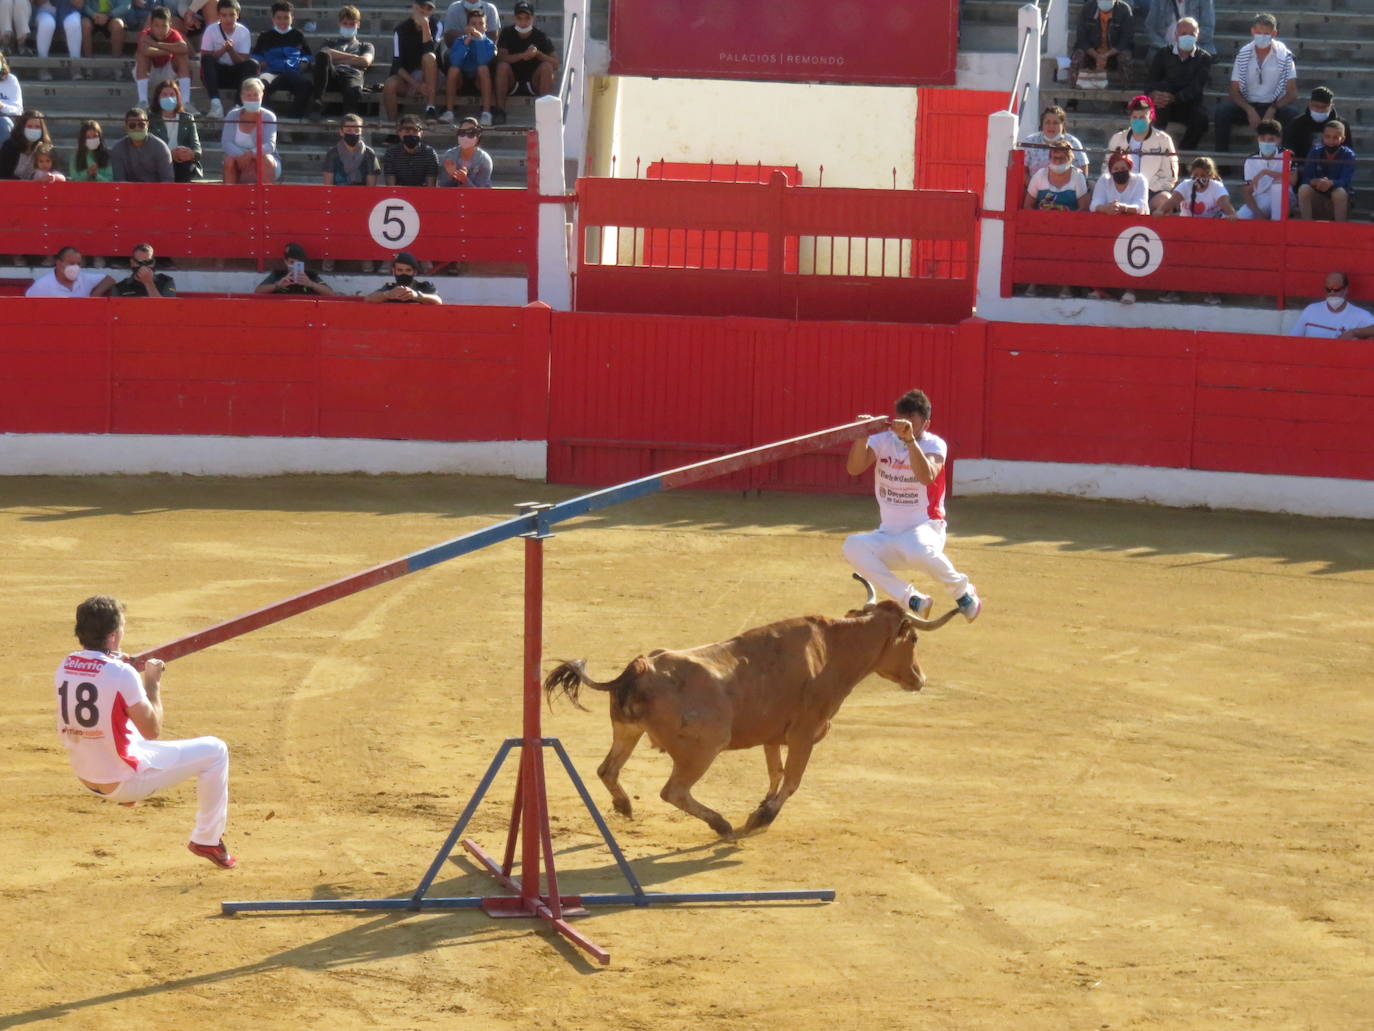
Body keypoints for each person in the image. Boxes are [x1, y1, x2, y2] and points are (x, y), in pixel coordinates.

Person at [54, 595, 235, 869]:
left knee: (114, 716)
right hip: (121, 783)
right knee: (216, 751)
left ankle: (129, 797)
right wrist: (152, 684)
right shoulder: (122, 674)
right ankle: (207, 839)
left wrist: (119, 664)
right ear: (113, 635)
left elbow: (102, 680)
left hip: (86, 776)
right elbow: (152, 730)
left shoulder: (67, 664)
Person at [842, 389, 981, 624]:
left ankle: (963, 592)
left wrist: (910, 440)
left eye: (913, 424)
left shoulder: (935, 444)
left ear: (926, 423)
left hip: (926, 529)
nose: (905, 429)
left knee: (918, 549)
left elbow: (927, 476)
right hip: (889, 534)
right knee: (852, 546)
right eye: (902, 422)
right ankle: (912, 598)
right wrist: (861, 435)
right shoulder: (883, 440)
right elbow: (854, 469)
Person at [1214, 13, 1298, 155]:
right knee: (1222, 113)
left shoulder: (1285, 56)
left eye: (1266, 33)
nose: (1262, 36)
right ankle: (1222, 164)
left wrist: (1272, 109)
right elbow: (1234, 92)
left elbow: (1292, 93)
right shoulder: (1243, 54)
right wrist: (1249, 110)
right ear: (1252, 31)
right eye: (1258, 32)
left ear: (1274, 33)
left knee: (1293, 115)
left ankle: (1287, 164)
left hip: (1274, 106)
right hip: (1248, 105)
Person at [1020, 139, 1088, 299]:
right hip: (1043, 226)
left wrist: (1069, 223)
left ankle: (1066, 286)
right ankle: (1034, 282)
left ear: (1070, 159)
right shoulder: (1039, 176)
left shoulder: (1077, 176)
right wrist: (1039, 222)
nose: (1057, 162)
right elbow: (1028, 204)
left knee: (1068, 245)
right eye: (1054, 158)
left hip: (1070, 227)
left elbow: (1083, 206)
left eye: (1062, 158)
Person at [1088, 150, 1149, 304]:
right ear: (1110, 171)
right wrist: (1106, 209)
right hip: (1109, 225)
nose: (1120, 172)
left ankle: (1130, 289)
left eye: (1123, 169)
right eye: (1116, 169)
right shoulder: (1104, 180)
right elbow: (1094, 204)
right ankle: (1099, 288)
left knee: (1134, 253)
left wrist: (1123, 208)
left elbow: (1140, 206)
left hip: (1135, 226)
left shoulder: (1140, 180)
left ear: (1130, 169)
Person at [1143, 16, 1210, 150]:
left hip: (1188, 105)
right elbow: (1151, 81)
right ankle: (1154, 150)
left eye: (1192, 34)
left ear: (1197, 36)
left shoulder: (1204, 58)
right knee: (1159, 104)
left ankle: (1184, 155)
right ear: (1176, 34)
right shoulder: (1163, 53)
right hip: (1164, 103)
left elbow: (1196, 87)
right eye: (1184, 34)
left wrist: (1175, 97)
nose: (1188, 37)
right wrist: (1154, 94)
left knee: (1201, 119)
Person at [1103, 95, 1178, 214]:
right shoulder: (1117, 139)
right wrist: (1120, 185)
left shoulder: (1163, 140)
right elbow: (1106, 168)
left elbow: (1170, 176)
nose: (1138, 120)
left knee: (1165, 200)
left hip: (1151, 192)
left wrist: (1145, 188)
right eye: (1134, 117)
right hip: (1120, 188)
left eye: (1142, 117)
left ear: (1151, 117)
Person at [491, 0, 555, 124]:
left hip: (534, 82)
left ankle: (545, 115)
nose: (523, 22)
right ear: (515, 18)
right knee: (502, 67)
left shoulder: (540, 36)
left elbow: (555, 63)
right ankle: (500, 111)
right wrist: (522, 55)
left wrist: (538, 54)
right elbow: (500, 58)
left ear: (533, 18)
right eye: (519, 18)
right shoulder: (507, 33)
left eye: (527, 18)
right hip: (511, 82)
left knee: (547, 67)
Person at [307, 4, 375, 120]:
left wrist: (334, 56)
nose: (348, 26)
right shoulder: (329, 43)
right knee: (323, 56)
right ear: (339, 23)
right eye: (345, 23)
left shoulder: (366, 46)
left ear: (358, 24)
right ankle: (317, 103)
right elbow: (324, 54)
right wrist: (354, 58)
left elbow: (365, 61)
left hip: (352, 76)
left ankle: (349, 122)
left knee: (353, 90)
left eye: (351, 23)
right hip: (332, 77)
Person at [253, 0, 312, 120]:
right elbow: (255, 55)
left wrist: (304, 61)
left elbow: (308, 55)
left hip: (292, 72)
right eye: (279, 18)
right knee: (259, 86)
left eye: (286, 17)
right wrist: (261, 61)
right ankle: (267, 119)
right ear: (273, 19)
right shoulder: (265, 36)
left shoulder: (298, 35)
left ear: (292, 18)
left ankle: (293, 119)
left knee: (307, 85)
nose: (282, 21)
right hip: (272, 72)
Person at [383, 0, 442, 122]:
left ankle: (430, 108)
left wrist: (425, 25)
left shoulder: (437, 25)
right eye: (421, 7)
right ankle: (393, 128)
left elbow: (430, 50)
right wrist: (416, 84)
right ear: (414, 7)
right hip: (410, 79)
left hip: (433, 76)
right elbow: (397, 64)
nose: (424, 11)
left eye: (429, 9)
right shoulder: (400, 30)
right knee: (390, 84)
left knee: (429, 57)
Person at [200, 0, 258, 121]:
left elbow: (243, 61)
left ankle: (238, 106)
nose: (228, 19)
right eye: (224, 15)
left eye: (231, 15)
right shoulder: (211, 30)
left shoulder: (243, 32)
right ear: (218, 16)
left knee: (252, 64)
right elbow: (206, 57)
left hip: (236, 74)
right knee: (207, 59)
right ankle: (216, 104)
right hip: (217, 75)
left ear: (237, 15)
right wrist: (223, 50)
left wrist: (231, 51)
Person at [134, 6, 195, 113]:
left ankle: (186, 103)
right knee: (142, 56)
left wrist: (156, 44)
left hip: (167, 73)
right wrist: (171, 50)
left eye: (164, 26)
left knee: (182, 55)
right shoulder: (145, 34)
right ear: (151, 25)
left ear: (169, 25)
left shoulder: (174, 33)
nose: (160, 30)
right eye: (156, 26)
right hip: (148, 73)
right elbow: (146, 51)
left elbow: (184, 48)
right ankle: (143, 102)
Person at [441, 6, 494, 125]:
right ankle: (449, 111)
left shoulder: (489, 44)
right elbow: (455, 61)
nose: (477, 27)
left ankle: (486, 113)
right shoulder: (460, 41)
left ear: (486, 27)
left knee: (483, 68)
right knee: (453, 69)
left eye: (481, 24)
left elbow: (482, 60)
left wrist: (480, 41)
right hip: (461, 80)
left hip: (478, 81)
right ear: (467, 26)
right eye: (473, 24)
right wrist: (466, 43)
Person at [222, 76, 280, 183]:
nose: (252, 98)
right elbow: (226, 142)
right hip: (238, 160)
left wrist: (251, 155)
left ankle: (266, 197)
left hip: (262, 159)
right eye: (248, 95)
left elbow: (270, 145)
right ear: (242, 97)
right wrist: (241, 156)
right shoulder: (232, 115)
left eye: (255, 95)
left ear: (261, 96)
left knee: (266, 159)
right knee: (229, 160)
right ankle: (229, 196)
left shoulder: (269, 116)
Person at [1297, 120, 1355, 223]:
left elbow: (1345, 180)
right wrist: (1314, 181)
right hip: (1318, 199)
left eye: (1335, 138)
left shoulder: (1348, 154)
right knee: (1303, 189)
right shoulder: (1315, 151)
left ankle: (1339, 231)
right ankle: (1307, 227)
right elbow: (1306, 177)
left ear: (1343, 139)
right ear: (1323, 137)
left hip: (1337, 202)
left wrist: (1330, 183)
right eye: (1327, 137)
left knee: (1340, 193)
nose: (1331, 141)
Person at [1237, 119, 1295, 221]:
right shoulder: (1251, 160)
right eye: (1262, 138)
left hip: (1285, 198)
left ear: (1279, 140)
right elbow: (1247, 192)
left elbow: (1293, 179)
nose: (1266, 142)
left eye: (1271, 139)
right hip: (1260, 200)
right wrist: (1258, 214)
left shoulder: (1287, 154)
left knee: (1278, 185)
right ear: (1258, 139)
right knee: (1239, 218)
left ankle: (1277, 226)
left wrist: (1266, 172)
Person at [1068, 0, 1133, 89]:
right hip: (1091, 54)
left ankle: (1126, 95)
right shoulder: (1087, 8)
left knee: (1125, 57)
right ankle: (1073, 94)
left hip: (1113, 55)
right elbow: (1081, 39)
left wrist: (1106, 55)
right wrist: (1097, 56)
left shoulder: (1124, 10)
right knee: (1077, 57)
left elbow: (1125, 39)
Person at [1292, 272, 1374, 339]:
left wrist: (1354, 332)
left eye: (1336, 289)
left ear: (1346, 290)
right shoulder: (1311, 310)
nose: (1332, 293)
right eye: (1328, 290)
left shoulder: (1360, 315)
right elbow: (1293, 339)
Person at [149, 79, 202, 181]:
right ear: (158, 98)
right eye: (164, 95)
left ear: (178, 98)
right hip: (160, 163)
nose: (168, 98)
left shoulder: (187, 118)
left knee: (184, 166)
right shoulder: (150, 119)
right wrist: (170, 154)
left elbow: (197, 148)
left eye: (172, 94)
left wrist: (190, 154)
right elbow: (150, 150)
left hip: (183, 163)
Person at [1284, 86, 1355, 162]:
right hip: (1302, 168)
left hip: (1334, 168)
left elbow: (1348, 152)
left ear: (1331, 106)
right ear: (1309, 104)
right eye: (1316, 106)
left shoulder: (1342, 125)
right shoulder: (1297, 123)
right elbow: (1289, 150)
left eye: (1324, 107)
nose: (1320, 110)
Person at [1018, 105, 1088, 179]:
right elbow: (1023, 171)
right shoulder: (1030, 141)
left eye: (1055, 123)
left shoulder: (1073, 142)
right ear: (1042, 124)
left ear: (1062, 125)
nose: (1051, 126)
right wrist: (1033, 188)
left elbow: (1083, 168)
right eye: (1047, 122)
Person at [110, 106, 174, 182]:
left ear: (147, 125)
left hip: (156, 191)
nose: (137, 128)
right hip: (128, 192)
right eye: (132, 126)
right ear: (126, 127)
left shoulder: (160, 147)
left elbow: (167, 180)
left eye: (141, 125)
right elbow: (119, 180)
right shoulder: (118, 149)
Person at [25, 246, 115, 296]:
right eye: (71, 263)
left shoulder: (83, 278)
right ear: (59, 263)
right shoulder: (42, 285)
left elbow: (109, 279)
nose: (75, 267)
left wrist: (95, 295)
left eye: (78, 264)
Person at [256, 240, 337, 296]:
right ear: (285, 261)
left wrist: (311, 284)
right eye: (292, 262)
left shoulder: (310, 275)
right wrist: (277, 286)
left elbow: (331, 294)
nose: (295, 266)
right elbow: (258, 292)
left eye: (298, 263)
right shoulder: (278, 274)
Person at [35, 0, 89, 79]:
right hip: (45, 10)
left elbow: (79, 4)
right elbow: (37, 2)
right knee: (47, 24)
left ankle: (75, 66)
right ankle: (42, 66)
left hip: (69, 10)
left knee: (73, 23)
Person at [322, 111, 379, 184]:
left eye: (357, 130)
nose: (353, 133)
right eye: (348, 130)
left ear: (361, 131)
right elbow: (328, 186)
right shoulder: (332, 154)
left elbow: (371, 188)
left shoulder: (369, 154)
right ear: (341, 132)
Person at [364, 250, 441, 303]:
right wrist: (388, 295)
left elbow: (438, 300)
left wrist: (417, 295)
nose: (404, 273)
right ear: (394, 272)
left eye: (408, 270)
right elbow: (368, 299)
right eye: (400, 270)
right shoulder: (389, 288)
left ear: (414, 272)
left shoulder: (424, 286)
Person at [382, 112, 438, 185]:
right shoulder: (391, 153)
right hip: (399, 193)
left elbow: (431, 187)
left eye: (415, 131)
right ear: (399, 132)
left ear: (421, 133)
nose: (411, 134)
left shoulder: (429, 153)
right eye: (407, 131)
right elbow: (391, 186)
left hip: (422, 192)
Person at [1144, 0, 1213, 56]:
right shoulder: (1158, 1)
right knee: (1154, 58)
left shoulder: (1204, 1)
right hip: (1164, 47)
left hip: (1194, 46)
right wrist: (1166, 47)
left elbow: (1208, 29)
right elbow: (1150, 27)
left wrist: (1186, 44)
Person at [438, 115, 491, 186]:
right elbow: (442, 188)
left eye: (471, 134)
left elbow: (480, 193)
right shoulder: (450, 156)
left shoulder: (484, 160)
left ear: (478, 137)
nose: (465, 137)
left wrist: (465, 180)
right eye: (462, 133)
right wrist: (451, 175)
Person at [111, 242, 176, 296]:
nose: (144, 266)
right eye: (140, 262)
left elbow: (166, 309)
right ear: (132, 262)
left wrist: (148, 283)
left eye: (148, 262)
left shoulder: (166, 281)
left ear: (153, 263)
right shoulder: (119, 287)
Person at [0, 108, 48, 179]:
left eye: (37, 127)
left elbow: (53, 171)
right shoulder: (9, 147)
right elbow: (3, 174)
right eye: (29, 126)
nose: (33, 130)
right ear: (22, 127)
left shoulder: (45, 148)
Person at [0, 52, 23, 149]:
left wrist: (2, 106)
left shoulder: (11, 80)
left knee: (4, 123)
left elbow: (18, 109)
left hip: (5, 118)